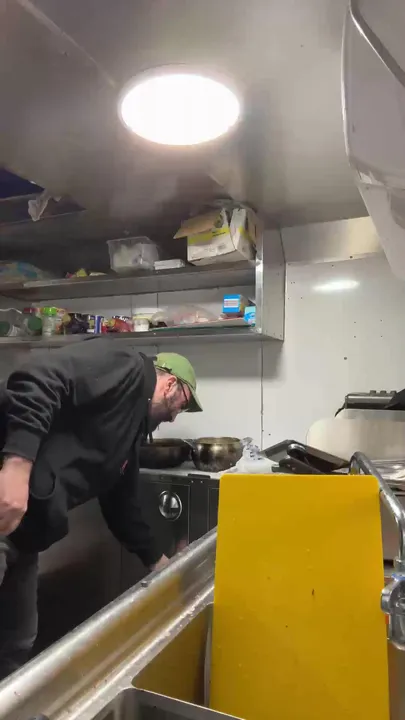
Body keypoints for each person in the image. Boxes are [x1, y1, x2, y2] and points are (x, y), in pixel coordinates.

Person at [0, 340, 202, 680]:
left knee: (16, 642)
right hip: (4, 499)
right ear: (170, 384)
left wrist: (158, 563)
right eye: (183, 404)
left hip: (26, 530)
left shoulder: (128, 430)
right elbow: (37, 378)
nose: (174, 416)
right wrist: (17, 468)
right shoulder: (125, 366)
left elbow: (122, 503)